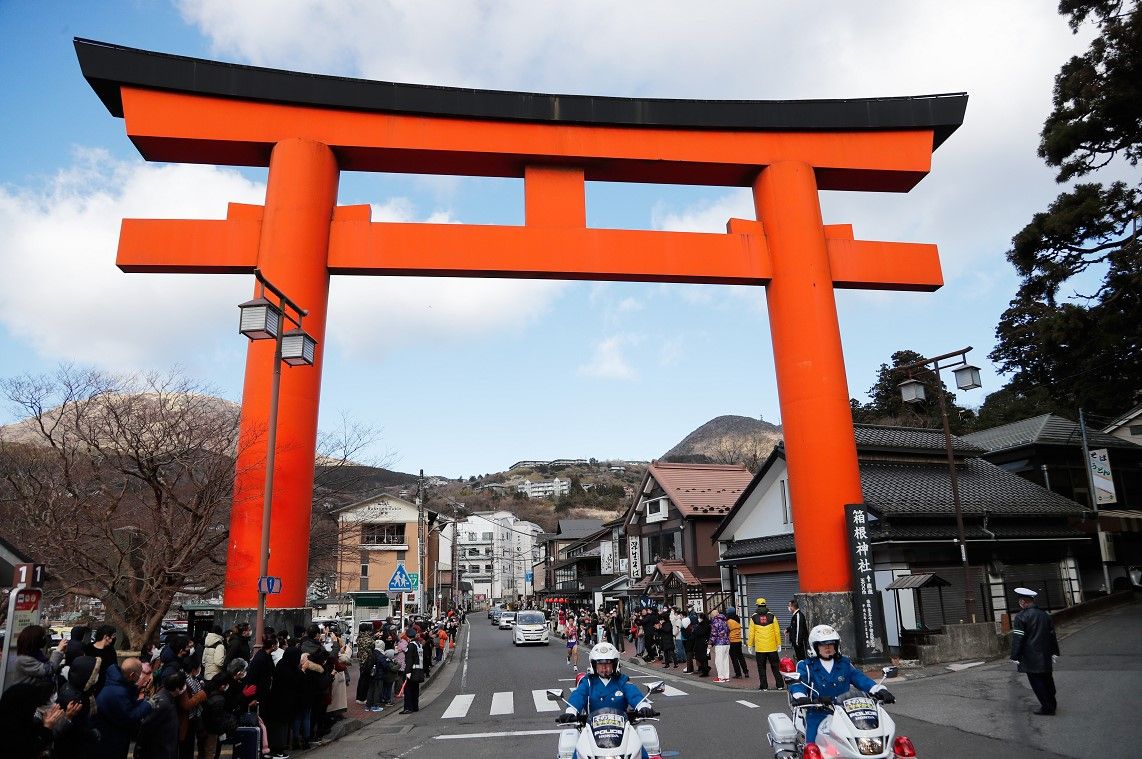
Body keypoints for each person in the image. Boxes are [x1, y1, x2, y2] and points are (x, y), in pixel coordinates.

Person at [790, 625, 893, 744]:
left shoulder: (844, 663)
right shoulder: (806, 666)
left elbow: (860, 679)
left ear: (836, 645)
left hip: (846, 711)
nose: (828, 647)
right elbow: (798, 683)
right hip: (819, 712)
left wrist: (878, 689)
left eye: (831, 644)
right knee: (813, 746)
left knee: (865, 737)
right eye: (823, 644)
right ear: (815, 647)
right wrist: (800, 696)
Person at [560, 643, 654, 722]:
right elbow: (578, 695)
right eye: (600, 664)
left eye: (608, 664)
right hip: (592, 730)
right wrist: (571, 711)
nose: (604, 668)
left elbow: (634, 694)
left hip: (622, 728)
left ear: (614, 665)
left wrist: (643, 706)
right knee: (570, 741)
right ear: (594, 666)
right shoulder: (588, 682)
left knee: (644, 738)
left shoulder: (621, 681)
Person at [91, 658, 156, 759]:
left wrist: (142, 702)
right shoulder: (118, 692)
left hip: (113, 734)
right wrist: (148, 705)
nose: (140, 678)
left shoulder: (118, 683)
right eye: (139, 675)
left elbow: (127, 706)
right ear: (132, 675)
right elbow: (130, 716)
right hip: (111, 740)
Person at [1010, 587, 1060, 716]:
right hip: (1045, 654)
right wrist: (1054, 652)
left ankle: (1047, 708)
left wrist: (1014, 655)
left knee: (1037, 683)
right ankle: (1052, 705)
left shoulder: (1021, 617)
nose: (1019, 604)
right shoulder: (1045, 615)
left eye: (1020, 601)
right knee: (1048, 680)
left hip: (1030, 656)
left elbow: (1018, 638)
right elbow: (1052, 635)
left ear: (1022, 602)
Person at [5, 624, 65, 691]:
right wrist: (58, 650)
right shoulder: (23, 660)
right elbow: (48, 670)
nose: (45, 639)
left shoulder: (36, 654)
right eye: (43, 637)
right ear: (35, 640)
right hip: (26, 697)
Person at [747, 597, 783, 690]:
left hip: (760, 648)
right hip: (772, 647)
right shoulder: (772, 616)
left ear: (757, 605)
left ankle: (764, 686)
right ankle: (780, 685)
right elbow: (777, 631)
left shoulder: (753, 617)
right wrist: (779, 644)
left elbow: (751, 633)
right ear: (765, 605)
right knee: (775, 667)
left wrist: (750, 645)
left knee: (761, 668)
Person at [725, 608, 750, 679]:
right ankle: (746, 672)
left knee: (734, 659)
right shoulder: (738, 619)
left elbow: (726, 631)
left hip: (732, 642)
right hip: (738, 641)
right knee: (741, 657)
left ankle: (738, 674)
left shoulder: (729, 621)